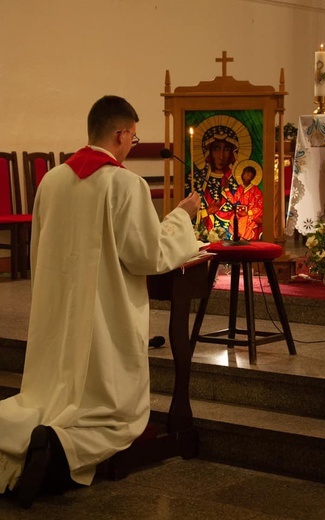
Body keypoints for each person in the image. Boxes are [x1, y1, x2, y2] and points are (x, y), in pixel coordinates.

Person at [0, 95, 200, 507]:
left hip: (59, 313)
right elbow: (148, 255)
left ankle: (16, 431)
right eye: (133, 136)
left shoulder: (52, 180)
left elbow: (38, 248)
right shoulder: (125, 184)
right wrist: (181, 217)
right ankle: (56, 447)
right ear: (121, 133)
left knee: (46, 395)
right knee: (112, 411)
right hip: (102, 321)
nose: (132, 143)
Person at [195, 126, 239, 234]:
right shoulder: (196, 180)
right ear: (208, 152)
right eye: (216, 149)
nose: (221, 156)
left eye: (227, 149)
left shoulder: (238, 181)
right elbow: (184, 214)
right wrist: (206, 212)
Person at [229, 165, 263, 240]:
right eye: (246, 174)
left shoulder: (255, 190)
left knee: (245, 220)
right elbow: (234, 200)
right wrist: (226, 190)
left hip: (251, 213)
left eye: (249, 175)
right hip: (240, 212)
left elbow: (260, 205)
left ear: (253, 177)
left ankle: (243, 238)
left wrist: (248, 212)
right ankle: (236, 236)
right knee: (232, 218)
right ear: (242, 175)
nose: (247, 176)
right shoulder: (240, 188)